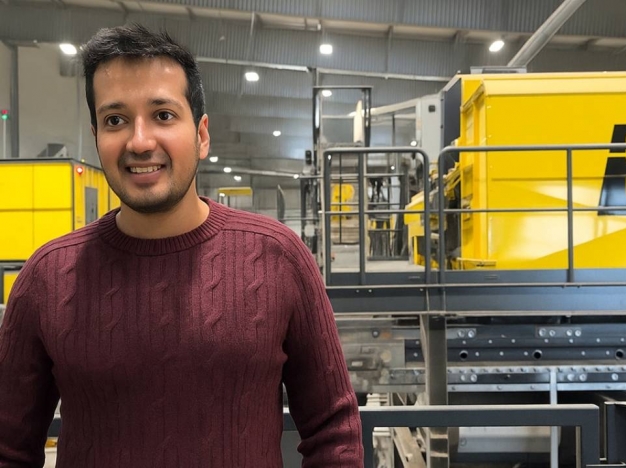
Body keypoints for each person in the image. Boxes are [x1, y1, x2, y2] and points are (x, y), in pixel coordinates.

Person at [0, 24, 363, 467]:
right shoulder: (48, 278)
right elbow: (8, 448)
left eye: (163, 115)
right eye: (115, 120)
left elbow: (334, 432)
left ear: (202, 135)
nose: (139, 141)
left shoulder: (278, 258)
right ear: (96, 137)